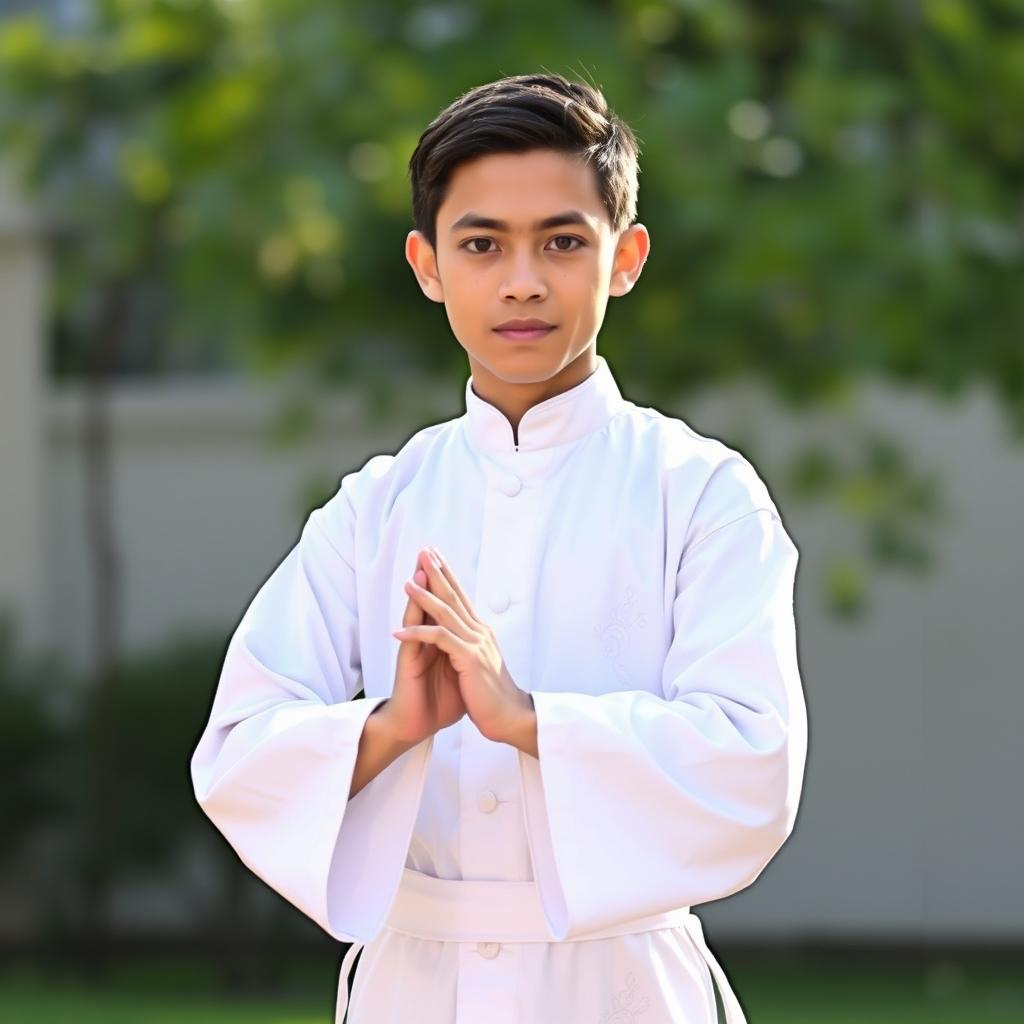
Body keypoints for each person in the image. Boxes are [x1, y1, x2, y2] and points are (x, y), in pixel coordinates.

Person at [189, 72, 808, 1024]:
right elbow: (235, 749)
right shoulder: (376, 505)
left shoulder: (702, 493)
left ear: (627, 257)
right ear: (428, 264)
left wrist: (527, 721)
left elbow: (753, 763)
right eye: (481, 244)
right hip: (414, 988)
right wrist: (391, 728)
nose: (523, 281)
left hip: (624, 989)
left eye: (563, 241)